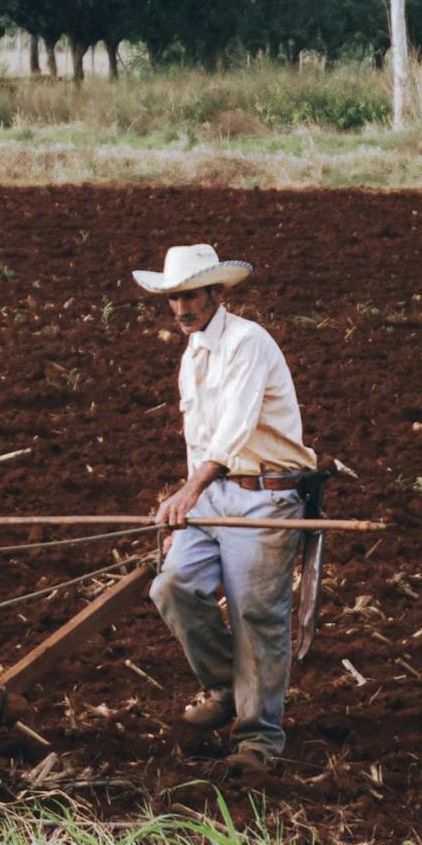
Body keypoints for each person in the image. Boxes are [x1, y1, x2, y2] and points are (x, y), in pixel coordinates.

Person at [135, 244, 318, 777]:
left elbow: (235, 430)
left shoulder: (247, 342)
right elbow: (200, 440)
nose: (181, 309)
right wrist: (187, 510)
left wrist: (188, 493)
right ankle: (224, 687)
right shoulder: (194, 352)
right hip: (214, 493)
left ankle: (258, 740)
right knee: (173, 586)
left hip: (264, 494)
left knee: (255, 615)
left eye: (190, 296)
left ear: (216, 293)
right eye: (174, 299)